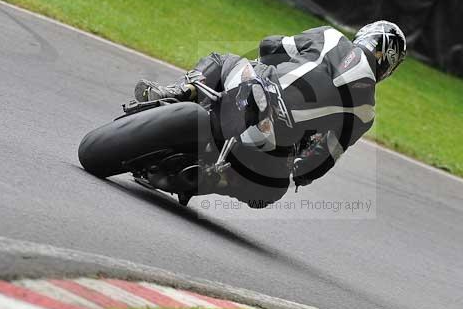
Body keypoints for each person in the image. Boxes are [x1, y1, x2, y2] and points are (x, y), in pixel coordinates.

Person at [134, 20, 406, 207]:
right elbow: (324, 157)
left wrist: (271, 59)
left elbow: (270, 46)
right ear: (388, 69)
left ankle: (179, 91)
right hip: (278, 139)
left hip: (257, 87)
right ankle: (215, 177)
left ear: (365, 35)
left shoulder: (331, 37)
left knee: (220, 59)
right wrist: (299, 172)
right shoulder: (366, 111)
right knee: (270, 192)